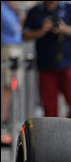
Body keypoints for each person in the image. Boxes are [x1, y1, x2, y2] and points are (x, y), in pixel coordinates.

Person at [22, 1, 71, 124]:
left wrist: (64, 29)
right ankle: (51, 134)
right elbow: (25, 35)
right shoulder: (35, 11)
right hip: (46, 65)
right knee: (49, 104)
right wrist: (43, 30)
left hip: (68, 63)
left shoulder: (69, 8)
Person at [1, 1, 23, 146]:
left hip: (14, 47)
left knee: (12, 87)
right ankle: (5, 122)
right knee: (9, 86)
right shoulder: (3, 9)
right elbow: (14, 28)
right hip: (8, 48)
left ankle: (9, 123)